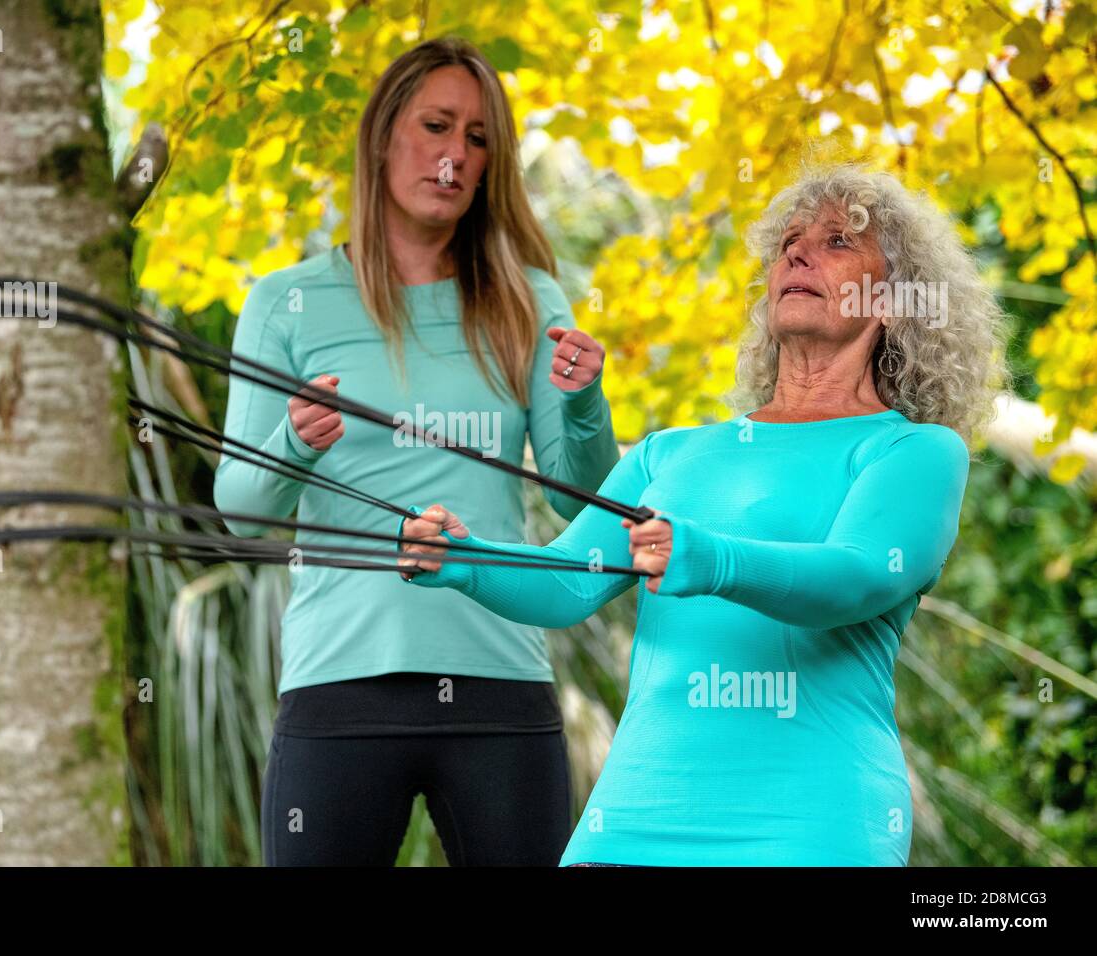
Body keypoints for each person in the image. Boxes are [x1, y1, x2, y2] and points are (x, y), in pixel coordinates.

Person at [397, 163, 1011, 865]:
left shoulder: (913, 451)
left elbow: (859, 577)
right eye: (788, 243)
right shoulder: (670, 454)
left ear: (896, 300)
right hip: (631, 823)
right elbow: (569, 580)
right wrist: (464, 558)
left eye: (837, 241)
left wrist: (707, 557)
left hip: (812, 825)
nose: (797, 254)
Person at [214, 37, 621, 866]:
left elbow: (582, 500)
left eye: (478, 140)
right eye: (437, 126)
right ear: (382, 137)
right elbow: (242, 508)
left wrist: (583, 402)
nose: (455, 156)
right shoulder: (286, 303)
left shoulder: (528, 298)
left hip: (499, 675)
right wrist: (294, 438)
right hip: (340, 682)